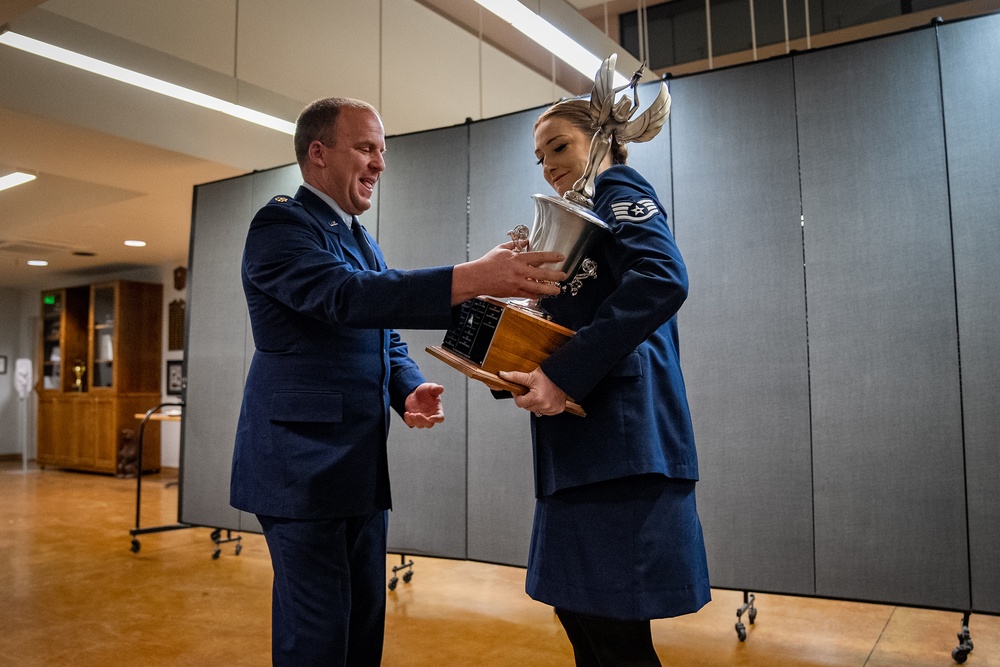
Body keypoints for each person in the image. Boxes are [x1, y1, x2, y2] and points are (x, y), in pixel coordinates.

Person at [230, 96, 566, 667]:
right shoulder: (281, 224)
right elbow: (344, 297)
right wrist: (470, 277)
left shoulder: (361, 239)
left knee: (363, 628)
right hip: (299, 468)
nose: (379, 164)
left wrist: (405, 385)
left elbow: (381, 330)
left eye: (382, 151)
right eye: (365, 148)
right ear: (318, 154)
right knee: (316, 635)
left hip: (357, 464)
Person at [499, 98, 711, 666]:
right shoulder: (577, 220)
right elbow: (575, 323)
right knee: (585, 623)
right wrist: (513, 354)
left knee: (614, 640)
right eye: (540, 157)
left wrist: (562, 377)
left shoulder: (619, 189)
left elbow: (663, 277)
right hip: (583, 451)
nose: (549, 166)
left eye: (560, 147)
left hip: (619, 449)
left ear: (604, 141)